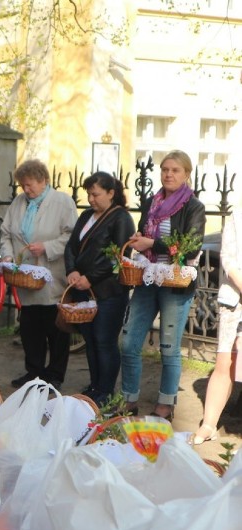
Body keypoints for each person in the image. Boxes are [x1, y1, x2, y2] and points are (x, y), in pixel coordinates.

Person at [121, 150, 205, 419]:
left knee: (169, 347)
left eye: (175, 170)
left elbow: (192, 244)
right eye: (165, 169)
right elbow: (145, 232)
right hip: (147, 279)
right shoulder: (152, 202)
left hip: (175, 284)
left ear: (187, 175)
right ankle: (128, 399)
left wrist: (153, 244)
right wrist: (139, 239)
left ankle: (166, 402)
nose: (168, 174)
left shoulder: (194, 207)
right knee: (129, 342)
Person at [1, 159, 77, 391]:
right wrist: (7, 256)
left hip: (52, 275)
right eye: (23, 185)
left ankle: (55, 374)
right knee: (29, 327)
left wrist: (47, 246)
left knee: (55, 328)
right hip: (26, 277)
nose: (26, 189)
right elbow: (5, 233)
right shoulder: (18, 202)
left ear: (43, 180)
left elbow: (72, 236)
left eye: (30, 184)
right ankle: (33, 371)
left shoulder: (62, 202)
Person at [64, 172, 135, 405]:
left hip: (109, 292)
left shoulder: (121, 219)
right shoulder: (85, 215)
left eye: (95, 194)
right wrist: (72, 271)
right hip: (82, 287)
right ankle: (94, 386)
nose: (91, 199)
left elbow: (119, 255)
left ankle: (106, 390)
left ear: (111, 193)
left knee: (104, 340)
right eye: (89, 194)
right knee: (90, 339)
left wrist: (90, 278)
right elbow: (71, 247)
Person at [192, 210, 242, 444]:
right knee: (225, 362)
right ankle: (209, 424)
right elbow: (228, 257)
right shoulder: (237, 215)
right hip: (235, 297)